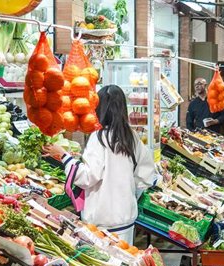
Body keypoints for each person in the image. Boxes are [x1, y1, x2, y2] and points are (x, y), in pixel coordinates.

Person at [42, 85, 157, 245]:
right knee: (126, 263)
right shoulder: (131, 136)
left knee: (108, 265)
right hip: (126, 217)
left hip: (102, 221)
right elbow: (146, 174)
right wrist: (127, 192)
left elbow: (88, 177)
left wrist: (64, 156)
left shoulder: (99, 138)